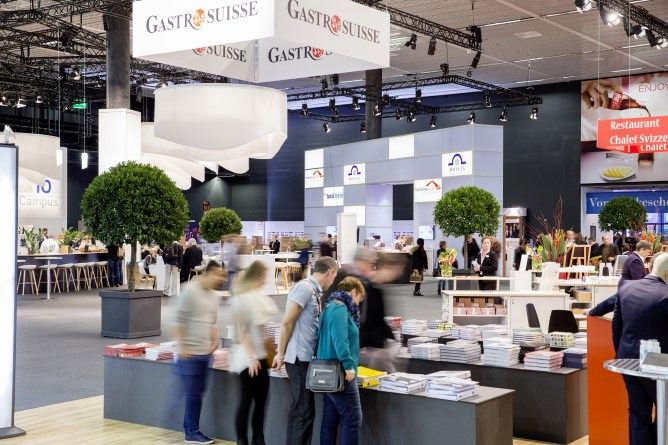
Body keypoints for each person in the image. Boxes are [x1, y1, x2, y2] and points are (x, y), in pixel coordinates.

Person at [272, 257, 339, 445]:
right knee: (303, 411)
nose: (333, 281)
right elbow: (287, 322)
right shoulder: (305, 289)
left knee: (303, 411)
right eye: (334, 277)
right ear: (330, 272)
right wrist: (280, 354)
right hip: (299, 360)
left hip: (306, 359)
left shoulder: (314, 291)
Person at [613, 254, 668, 445]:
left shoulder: (626, 288)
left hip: (628, 359)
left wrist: (620, 355)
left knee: (638, 413)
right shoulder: (665, 294)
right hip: (659, 363)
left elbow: (616, 326)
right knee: (665, 410)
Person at [173, 261, 226, 445]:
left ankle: (191, 431)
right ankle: (191, 432)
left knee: (196, 394)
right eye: (218, 274)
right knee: (192, 394)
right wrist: (183, 346)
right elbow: (178, 319)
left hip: (205, 353)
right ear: (208, 273)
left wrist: (215, 340)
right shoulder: (190, 290)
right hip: (190, 354)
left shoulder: (214, 296)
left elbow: (212, 321)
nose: (221, 278)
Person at [230, 261, 278, 445]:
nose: (265, 280)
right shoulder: (242, 299)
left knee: (260, 401)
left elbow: (260, 327)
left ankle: (258, 438)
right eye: (263, 276)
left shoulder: (258, 298)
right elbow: (242, 332)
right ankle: (242, 439)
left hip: (260, 356)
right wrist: (251, 357)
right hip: (247, 358)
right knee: (246, 401)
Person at [317, 277, 366, 445]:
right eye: (360, 298)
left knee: (330, 420)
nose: (359, 303)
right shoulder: (340, 308)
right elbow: (340, 339)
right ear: (354, 292)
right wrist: (348, 365)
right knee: (353, 418)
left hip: (328, 369)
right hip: (340, 372)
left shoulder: (330, 306)